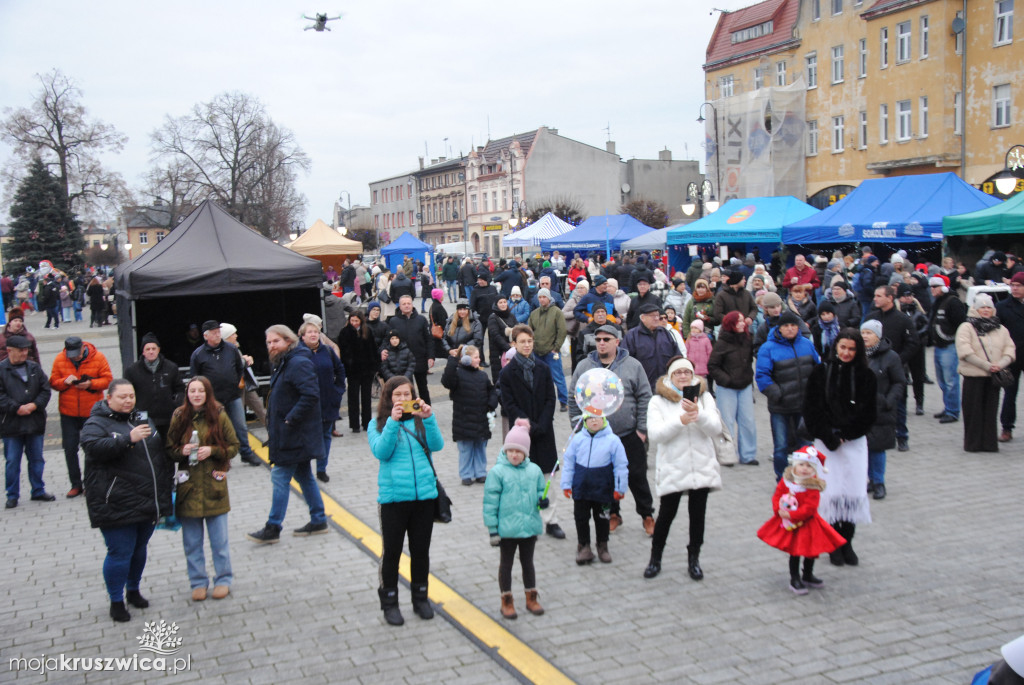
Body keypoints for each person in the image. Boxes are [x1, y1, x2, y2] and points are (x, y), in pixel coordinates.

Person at [80, 379, 173, 622]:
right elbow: (93, 447)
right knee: (120, 553)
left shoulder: (141, 418)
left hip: (146, 500)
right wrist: (126, 439)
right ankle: (116, 600)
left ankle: (133, 590)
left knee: (139, 549)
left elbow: (156, 456)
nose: (128, 400)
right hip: (116, 502)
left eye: (131, 396)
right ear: (108, 398)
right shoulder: (96, 422)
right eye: (122, 397)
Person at [367, 375, 444, 626]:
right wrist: (392, 422)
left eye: (406, 394)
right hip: (393, 500)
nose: (402, 399)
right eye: (397, 395)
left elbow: (437, 445)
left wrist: (429, 418)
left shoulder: (421, 421)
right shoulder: (377, 424)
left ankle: (420, 597)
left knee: (421, 551)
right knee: (392, 553)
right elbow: (382, 452)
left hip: (423, 497)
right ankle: (389, 602)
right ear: (388, 398)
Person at [569, 324, 654, 535]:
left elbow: (645, 397)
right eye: (598, 340)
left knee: (636, 476)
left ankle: (647, 515)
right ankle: (613, 514)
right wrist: (578, 428)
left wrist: (641, 429)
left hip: (629, 433)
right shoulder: (584, 367)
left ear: (617, 341)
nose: (602, 343)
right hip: (598, 437)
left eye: (606, 339)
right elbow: (574, 398)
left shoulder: (633, 366)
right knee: (605, 477)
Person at [643, 357, 722, 581]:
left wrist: (699, 414)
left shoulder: (704, 396)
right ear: (671, 377)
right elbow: (656, 435)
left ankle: (694, 559)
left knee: (698, 516)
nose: (683, 376)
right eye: (678, 373)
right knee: (667, 514)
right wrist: (681, 420)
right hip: (673, 466)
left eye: (687, 372)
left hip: (701, 465)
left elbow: (715, 429)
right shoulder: (658, 401)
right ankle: (655, 557)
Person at [802, 328, 876, 567]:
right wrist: (829, 435)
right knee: (830, 494)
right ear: (835, 347)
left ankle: (848, 541)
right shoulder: (820, 372)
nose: (846, 353)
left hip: (853, 443)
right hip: (826, 443)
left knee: (853, 493)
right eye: (842, 347)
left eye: (851, 349)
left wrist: (846, 435)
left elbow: (868, 413)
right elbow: (812, 409)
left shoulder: (866, 375)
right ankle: (832, 543)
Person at [247, 325, 327, 543]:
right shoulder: (285, 362)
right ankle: (319, 518)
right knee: (304, 475)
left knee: (280, 477)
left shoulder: (298, 363)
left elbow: (310, 395)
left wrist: (290, 418)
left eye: (276, 342)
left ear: (289, 341)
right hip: (290, 433)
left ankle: (273, 527)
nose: (272, 346)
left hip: (294, 434)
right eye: (269, 342)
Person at [165, 376, 239, 601]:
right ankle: (197, 581)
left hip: (213, 485)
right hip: (189, 488)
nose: (196, 395)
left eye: (200, 391)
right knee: (192, 542)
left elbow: (233, 446)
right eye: (192, 391)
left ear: (208, 393)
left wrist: (213, 450)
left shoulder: (219, 414)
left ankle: (223, 579)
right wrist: (183, 451)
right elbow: (170, 449)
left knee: (220, 542)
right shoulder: (179, 416)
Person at [499, 324, 565, 539]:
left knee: (547, 479)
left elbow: (549, 398)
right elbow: (508, 404)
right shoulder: (508, 373)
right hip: (521, 433)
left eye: (529, 341)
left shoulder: (543, 369)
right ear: (514, 344)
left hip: (544, 431)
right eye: (522, 342)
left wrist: (542, 424)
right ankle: (528, 519)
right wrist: (526, 424)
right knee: (523, 479)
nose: (527, 345)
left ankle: (551, 520)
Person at [756, 445, 846, 595]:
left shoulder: (812, 486)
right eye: (801, 465)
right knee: (795, 551)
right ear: (795, 465)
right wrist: (778, 510)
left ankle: (808, 574)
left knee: (810, 551)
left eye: (809, 466)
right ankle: (794, 577)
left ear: (814, 470)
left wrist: (793, 514)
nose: (804, 469)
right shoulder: (786, 481)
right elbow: (777, 496)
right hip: (790, 524)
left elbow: (810, 508)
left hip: (808, 523)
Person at [755, 310, 820, 479]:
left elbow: (818, 369)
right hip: (781, 406)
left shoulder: (806, 344)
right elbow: (762, 376)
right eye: (786, 326)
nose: (790, 329)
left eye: (793, 325)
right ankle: (782, 478)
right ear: (780, 328)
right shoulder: (768, 348)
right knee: (781, 447)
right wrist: (778, 394)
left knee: (806, 444)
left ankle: (807, 478)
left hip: (804, 405)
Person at [50, 336, 114, 497]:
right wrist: (65, 381)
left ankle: (90, 483)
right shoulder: (59, 359)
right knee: (70, 449)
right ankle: (75, 484)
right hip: (68, 412)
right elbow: (53, 382)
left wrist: (90, 384)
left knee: (91, 449)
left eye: (77, 354)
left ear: (82, 348)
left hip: (91, 412)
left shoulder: (98, 357)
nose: (75, 357)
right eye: (71, 355)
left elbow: (108, 380)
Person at [190, 320, 260, 466]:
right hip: (213, 399)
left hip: (233, 395)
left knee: (240, 426)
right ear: (205, 336)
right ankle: (220, 456)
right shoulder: (198, 354)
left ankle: (246, 453)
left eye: (218, 332)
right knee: (216, 428)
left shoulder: (231, 349)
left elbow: (239, 367)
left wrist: (235, 382)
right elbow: (195, 377)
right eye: (214, 333)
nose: (217, 335)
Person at [561, 413, 628, 565]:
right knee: (581, 518)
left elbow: (621, 466)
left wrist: (620, 487)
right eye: (590, 418)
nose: (594, 421)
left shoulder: (613, 441)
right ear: (584, 421)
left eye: (597, 417)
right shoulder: (577, 440)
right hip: (581, 489)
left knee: (603, 518)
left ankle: (602, 545)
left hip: (603, 489)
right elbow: (569, 464)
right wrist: (566, 484)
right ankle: (583, 545)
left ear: (604, 419)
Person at [956, 294, 1016, 453]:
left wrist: (1000, 364)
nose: (986, 310)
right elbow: (965, 351)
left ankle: (989, 444)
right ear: (975, 309)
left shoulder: (1000, 328)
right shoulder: (966, 327)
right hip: (974, 375)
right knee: (973, 411)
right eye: (982, 307)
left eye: (989, 307)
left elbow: (1009, 349)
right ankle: (973, 444)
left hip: (993, 377)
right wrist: (986, 365)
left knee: (990, 412)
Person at [1, 335, 54, 509]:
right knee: (12, 461)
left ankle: (38, 490)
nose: (25, 353)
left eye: (26, 350)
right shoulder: (2, 370)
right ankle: (12, 494)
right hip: (11, 423)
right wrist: (16, 407)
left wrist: (34, 405)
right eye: (21, 350)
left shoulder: (34, 367)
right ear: (9, 351)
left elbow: (45, 390)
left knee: (37, 459)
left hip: (34, 421)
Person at [865, 285, 920, 451]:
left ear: (890, 298)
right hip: (874, 370)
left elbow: (913, 343)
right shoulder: (871, 318)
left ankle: (902, 436)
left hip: (895, 369)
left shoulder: (902, 319)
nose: (875, 298)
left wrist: (898, 360)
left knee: (899, 404)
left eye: (879, 295)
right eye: (875, 295)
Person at [861, 320, 906, 501]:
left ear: (878, 336)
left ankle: (879, 482)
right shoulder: (855, 354)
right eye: (863, 332)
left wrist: (888, 401)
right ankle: (868, 480)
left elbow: (899, 381)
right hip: (860, 409)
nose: (865, 336)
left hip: (881, 409)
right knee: (862, 447)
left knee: (877, 447)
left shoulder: (891, 357)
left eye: (869, 333)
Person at [442, 344, 499, 485]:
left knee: (480, 448)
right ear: (466, 359)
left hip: (480, 419)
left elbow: (491, 391)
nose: (479, 360)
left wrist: (491, 403)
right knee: (466, 449)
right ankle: (466, 474)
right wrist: (452, 360)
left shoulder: (482, 375)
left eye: (479, 357)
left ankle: (480, 473)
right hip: (464, 420)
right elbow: (446, 381)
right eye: (476, 357)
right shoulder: (457, 374)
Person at [707, 311, 758, 466]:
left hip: (745, 386)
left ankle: (748, 455)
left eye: (743, 320)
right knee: (726, 423)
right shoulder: (722, 342)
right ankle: (727, 455)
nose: (743, 323)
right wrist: (726, 380)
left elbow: (750, 360)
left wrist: (749, 377)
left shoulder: (748, 339)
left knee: (748, 421)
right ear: (731, 324)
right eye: (739, 321)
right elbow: (712, 365)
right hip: (727, 388)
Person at [299, 322, 346, 482]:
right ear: (302, 336)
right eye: (309, 332)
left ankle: (321, 469)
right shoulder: (297, 353)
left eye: (316, 332)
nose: (313, 334)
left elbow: (339, 369)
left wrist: (338, 390)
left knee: (325, 435)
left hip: (327, 401)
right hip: (307, 404)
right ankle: (303, 469)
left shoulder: (327, 351)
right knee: (308, 437)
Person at [122, 333, 184, 439]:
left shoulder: (171, 367)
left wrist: (176, 402)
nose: (151, 351)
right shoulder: (132, 370)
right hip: (144, 419)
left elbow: (180, 389)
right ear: (143, 352)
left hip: (167, 417)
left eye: (153, 348)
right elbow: (126, 392)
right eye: (148, 349)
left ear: (158, 350)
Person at [928, 275, 967, 424]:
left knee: (950, 381)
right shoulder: (938, 301)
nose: (932, 289)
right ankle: (948, 407)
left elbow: (962, 325)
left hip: (949, 347)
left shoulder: (953, 302)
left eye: (935, 286)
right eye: (931, 286)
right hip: (939, 346)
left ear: (944, 287)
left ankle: (953, 411)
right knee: (943, 381)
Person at [384, 295, 433, 403]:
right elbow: (388, 340)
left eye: (408, 303)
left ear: (412, 304)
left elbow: (428, 339)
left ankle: (426, 414)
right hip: (402, 362)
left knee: (423, 388)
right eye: (404, 304)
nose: (407, 306)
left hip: (420, 359)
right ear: (400, 306)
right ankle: (408, 415)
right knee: (405, 390)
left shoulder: (421, 319)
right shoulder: (393, 321)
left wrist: (430, 356)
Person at [625, 303, 684, 391]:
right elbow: (626, 362)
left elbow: (677, 357)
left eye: (657, 315)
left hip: (666, 386)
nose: (656, 318)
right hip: (642, 388)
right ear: (643, 318)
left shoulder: (665, 333)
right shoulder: (632, 336)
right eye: (652, 316)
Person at [528, 288, 569, 412]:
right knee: (539, 378)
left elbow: (562, 331)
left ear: (549, 298)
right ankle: (541, 400)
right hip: (537, 352)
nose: (541, 299)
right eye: (539, 297)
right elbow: (529, 331)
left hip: (552, 352)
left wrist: (556, 347)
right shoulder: (534, 313)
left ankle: (563, 401)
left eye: (544, 297)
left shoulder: (557, 312)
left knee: (558, 377)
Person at [337, 311, 378, 434]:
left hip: (366, 370)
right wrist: (348, 365)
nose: (354, 323)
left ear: (361, 320)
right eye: (352, 320)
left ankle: (367, 422)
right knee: (353, 398)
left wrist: (374, 366)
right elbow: (343, 352)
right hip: (353, 371)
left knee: (366, 398)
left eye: (356, 321)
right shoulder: (344, 332)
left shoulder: (367, 331)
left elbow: (373, 349)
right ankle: (354, 424)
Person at [995, 273, 1024, 442]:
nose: (1014, 288)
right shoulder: (1003, 306)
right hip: (1011, 357)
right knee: (1009, 393)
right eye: (1012, 285)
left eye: (1019, 285)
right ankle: (1007, 428)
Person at [487, 295, 518, 384]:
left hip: (512, 350)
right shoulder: (493, 317)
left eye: (504, 302)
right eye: (500, 302)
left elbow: (517, 329)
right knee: (500, 378)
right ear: (496, 304)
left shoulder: (511, 315)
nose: (503, 304)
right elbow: (495, 335)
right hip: (498, 352)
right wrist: (508, 347)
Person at [685, 320, 713, 391]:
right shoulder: (689, 340)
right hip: (692, 366)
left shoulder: (706, 340)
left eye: (695, 328)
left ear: (700, 329)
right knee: (692, 383)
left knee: (700, 384)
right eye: (692, 328)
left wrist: (709, 363)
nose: (693, 330)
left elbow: (709, 352)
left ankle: (700, 394)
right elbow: (686, 351)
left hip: (702, 366)